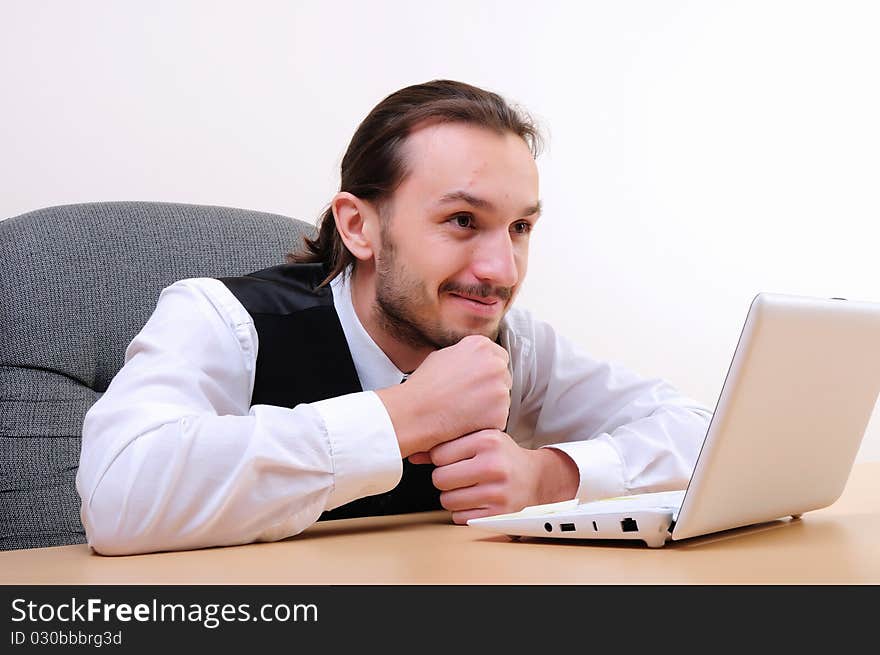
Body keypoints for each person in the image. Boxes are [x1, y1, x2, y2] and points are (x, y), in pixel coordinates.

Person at [76, 80, 712, 555]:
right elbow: (116, 497)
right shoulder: (221, 318)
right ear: (360, 226)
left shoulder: (511, 342)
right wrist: (406, 416)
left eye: (519, 228)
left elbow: (702, 436)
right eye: (463, 221)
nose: (502, 270)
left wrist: (551, 475)